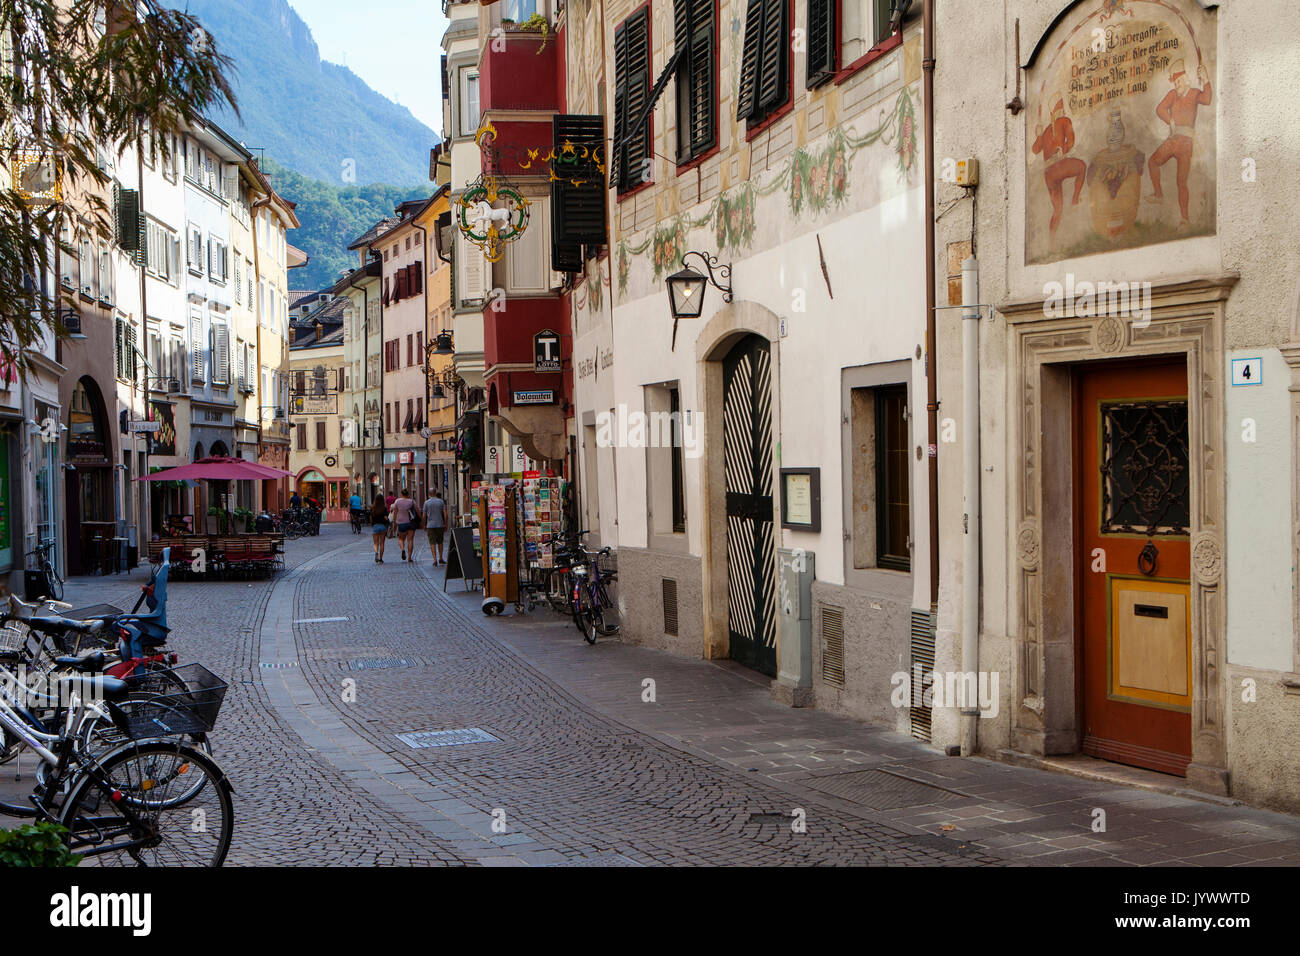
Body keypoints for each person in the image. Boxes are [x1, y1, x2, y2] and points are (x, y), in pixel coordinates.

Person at [392, 488, 417, 561]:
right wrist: (421, 520)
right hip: (411, 523)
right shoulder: (411, 501)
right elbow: (417, 510)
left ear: (401, 494)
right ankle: (409, 557)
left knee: (400, 539)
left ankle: (403, 549)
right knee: (410, 540)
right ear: (408, 494)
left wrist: (394, 521)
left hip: (401, 523)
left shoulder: (397, 501)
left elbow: (395, 512)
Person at [424, 488, 447, 565]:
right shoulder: (441, 502)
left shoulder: (426, 503)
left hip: (430, 525)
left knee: (432, 542)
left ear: (429, 494)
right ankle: (440, 558)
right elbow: (445, 513)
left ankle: (434, 559)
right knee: (440, 542)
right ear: (435, 493)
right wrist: (445, 523)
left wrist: (424, 524)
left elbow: (424, 515)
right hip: (440, 524)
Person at [370, 494, 389, 563]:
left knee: (375, 543)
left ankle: (376, 553)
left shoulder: (372, 508)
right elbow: (386, 518)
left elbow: (371, 518)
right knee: (382, 543)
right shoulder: (384, 508)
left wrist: (372, 524)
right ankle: (380, 559)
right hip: (383, 527)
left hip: (375, 526)